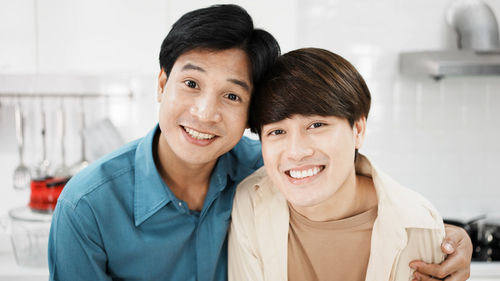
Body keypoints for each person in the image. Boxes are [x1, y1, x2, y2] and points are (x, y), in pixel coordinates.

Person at [48, 4, 471, 281]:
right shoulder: (85, 209)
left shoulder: (270, 169)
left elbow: (351, 192)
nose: (205, 113)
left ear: (251, 114)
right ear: (162, 83)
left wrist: (443, 237)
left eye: (231, 95)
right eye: (191, 83)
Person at [228, 48, 471, 281]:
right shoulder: (251, 203)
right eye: (277, 131)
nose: (296, 152)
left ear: (358, 130)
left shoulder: (417, 224)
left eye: (316, 125)